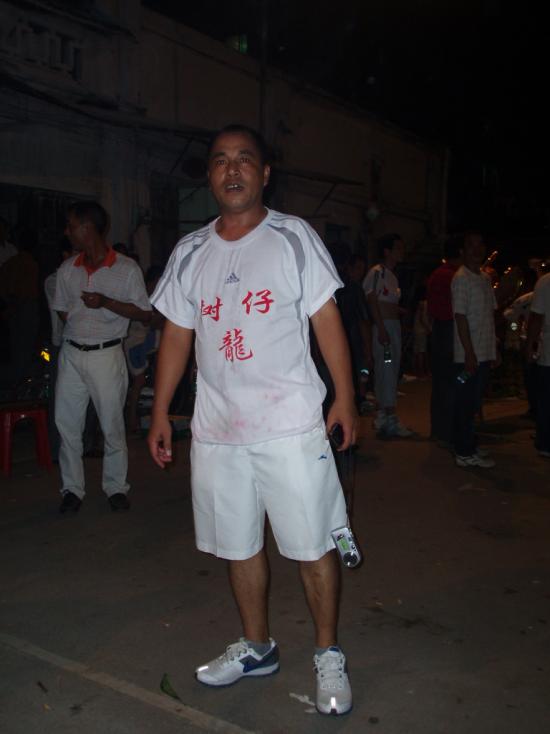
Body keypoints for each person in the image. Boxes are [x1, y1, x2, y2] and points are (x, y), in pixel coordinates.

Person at [148, 124, 356, 716]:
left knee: (312, 544)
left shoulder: (293, 237)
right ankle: (257, 647)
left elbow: (326, 319)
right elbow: (176, 336)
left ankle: (327, 653)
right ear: (210, 176)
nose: (232, 169)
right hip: (219, 430)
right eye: (220, 160)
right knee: (238, 545)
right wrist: (161, 410)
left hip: (291, 426)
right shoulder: (190, 251)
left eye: (245, 159)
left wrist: (345, 397)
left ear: (265, 174)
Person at [52, 201, 152, 513]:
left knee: (111, 425)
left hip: (106, 355)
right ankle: (72, 489)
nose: (67, 232)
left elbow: (144, 313)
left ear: (88, 228)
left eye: (72, 226)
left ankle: (115, 487)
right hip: (72, 353)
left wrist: (106, 303)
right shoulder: (67, 269)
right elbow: (62, 308)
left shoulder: (126, 269)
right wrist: (83, 324)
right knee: (67, 424)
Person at [451, 232, 497, 468]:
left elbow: (489, 315)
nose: (476, 250)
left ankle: (469, 443)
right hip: (468, 357)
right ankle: (463, 451)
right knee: (465, 401)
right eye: (471, 245)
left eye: (480, 245)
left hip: (484, 352)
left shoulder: (485, 278)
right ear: (463, 250)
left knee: (474, 402)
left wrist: (494, 350)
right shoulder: (461, 278)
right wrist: (469, 353)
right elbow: (460, 317)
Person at [363, 233, 413, 438]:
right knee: (387, 370)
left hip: (392, 327)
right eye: (398, 248)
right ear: (387, 251)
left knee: (390, 369)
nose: (402, 251)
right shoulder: (377, 272)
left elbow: (386, 302)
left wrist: (398, 312)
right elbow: (371, 299)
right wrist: (382, 329)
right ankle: (389, 417)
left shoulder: (392, 276)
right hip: (384, 329)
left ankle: (383, 416)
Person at [426, 238, 462, 447]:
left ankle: (439, 430)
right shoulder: (453, 276)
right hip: (450, 330)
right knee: (452, 382)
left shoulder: (439, 274)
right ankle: (448, 431)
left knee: (442, 383)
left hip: (441, 330)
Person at [124, 265, 164, 432]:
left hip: (144, 341)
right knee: (139, 380)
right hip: (133, 343)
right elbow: (149, 322)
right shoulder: (140, 297)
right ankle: (132, 419)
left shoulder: (153, 298)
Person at [0, 227, 40, 386]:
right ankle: (19, 384)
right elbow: (25, 291)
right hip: (24, 308)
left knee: (17, 347)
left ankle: (17, 381)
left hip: (13, 308)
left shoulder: (11, 262)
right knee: (24, 348)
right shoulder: (29, 264)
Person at [526, 266, 550, 458]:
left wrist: (530, 346)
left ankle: (545, 442)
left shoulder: (545, 282)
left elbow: (536, 317)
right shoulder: (545, 282)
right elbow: (536, 318)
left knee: (545, 399)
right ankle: (545, 441)